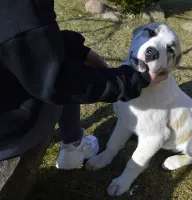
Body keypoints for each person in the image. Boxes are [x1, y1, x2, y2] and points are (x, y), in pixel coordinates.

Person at [0, 0, 168, 169]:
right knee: (68, 81)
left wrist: (77, 49)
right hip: (8, 130)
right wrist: (130, 81)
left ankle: (73, 145)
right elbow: (56, 81)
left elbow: (24, 41)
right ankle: (75, 145)